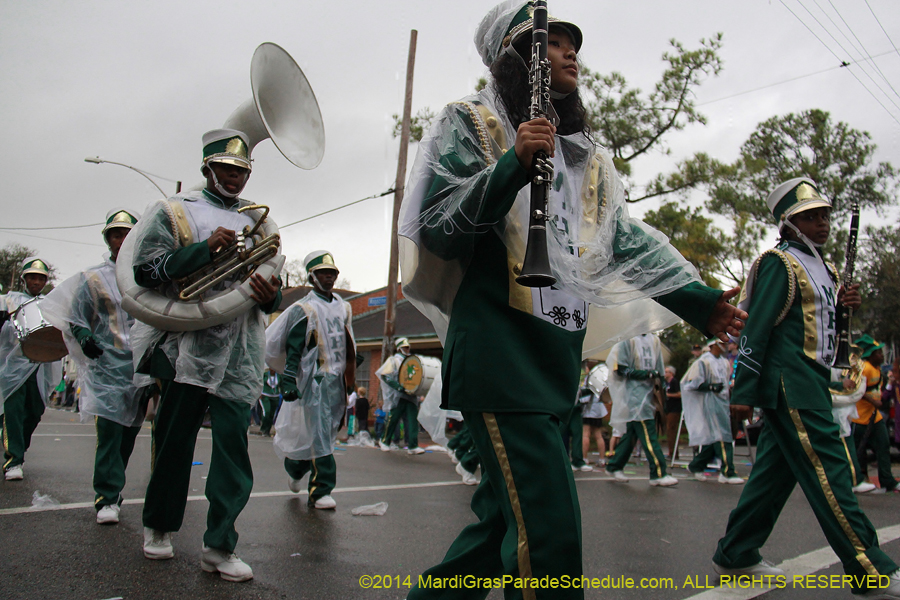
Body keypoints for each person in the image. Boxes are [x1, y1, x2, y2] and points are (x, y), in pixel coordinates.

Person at [396, 2, 747, 595]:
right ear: (515, 58)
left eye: (571, 43)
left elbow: (625, 240)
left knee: (498, 533)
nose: (570, 52)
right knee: (551, 535)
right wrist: (511, 164)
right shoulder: (472, 121)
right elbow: (436, 227)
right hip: (500, 357)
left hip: (555, 360)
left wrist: (700, 301)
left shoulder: (584, 155)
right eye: (550, 43)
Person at [712, 178, 900, 597]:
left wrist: (845, 303)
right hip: (790, 383)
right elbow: (756, 329)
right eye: (810, 217)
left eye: (824, 215)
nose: (822, 223)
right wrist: (743, 391)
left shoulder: (826, 268)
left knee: (774, 477)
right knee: (831, 473)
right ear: (788, 223)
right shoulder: (780, 262)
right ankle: (871, 569)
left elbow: (826, 325)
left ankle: (737, 552)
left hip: (812, 381)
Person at [129, 129, 281, 582]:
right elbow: (145, 270)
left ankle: (219, 545)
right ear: (208, 169)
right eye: (227, 169)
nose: (234, 178)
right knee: (175, 443)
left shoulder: (262, 223)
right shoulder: (175, 212)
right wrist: (202, 249)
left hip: (241, 351)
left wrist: (269, 294)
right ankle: (158, 526)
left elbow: (271, 292)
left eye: (241, 171)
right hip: (187, 348)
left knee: (234, 451)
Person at [42, 208, 152, 523]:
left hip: (140, 366)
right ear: (108, 238)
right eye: (115, 234)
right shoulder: (93, 278)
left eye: (127, 233)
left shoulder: (149, 276)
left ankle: (113, 487)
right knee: (109, 432)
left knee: (129, 432)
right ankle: (106, 497)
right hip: (107, 367)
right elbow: (77, 316)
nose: (121, 239)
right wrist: (84, 336)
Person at [266, 250, 356, 510]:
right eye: (324, 273)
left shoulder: (343, 307)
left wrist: (350, 376)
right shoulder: (303, 308)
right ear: (312, 276)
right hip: (315, 381)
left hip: (337, 381)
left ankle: (295, 468)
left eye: (333, 273)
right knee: (319, 434)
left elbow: (348, 344)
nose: (329, 278)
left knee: (326, 432)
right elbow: (294, 348)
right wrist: (289, 380)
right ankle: (320, 490)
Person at [1, 257, 62, 481]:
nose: (36, 281)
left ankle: (17, 446)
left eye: (40, 278)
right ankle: (13, 460)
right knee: (14, 412)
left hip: (40, 367)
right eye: (32, 277)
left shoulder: (50, 302)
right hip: (13, 367)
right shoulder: (9, 300)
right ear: (24, 279)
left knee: (35, 411)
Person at [606, 333, 678, 486]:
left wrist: (661, 390)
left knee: (631, 433)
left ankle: (614, 466)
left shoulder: (654, 340)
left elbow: (659, 369)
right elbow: (619, 368)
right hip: (635, 396)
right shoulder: (628, 339)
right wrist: (644, 374)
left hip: (649, 395)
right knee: (648, 433)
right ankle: (658, 473)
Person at [680, 339, 743, 484]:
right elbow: (691, 384)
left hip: (723, 401)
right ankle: (727, 472)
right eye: (722, 343)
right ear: (713, 344)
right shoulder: (703, 362)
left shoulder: (724, 362)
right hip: (711, 402)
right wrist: (710, 386)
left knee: (714, 437)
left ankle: (697, 465)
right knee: (723, 435)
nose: (726, 346)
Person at [850, 335, 898, 494]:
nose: (882, 355)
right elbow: (857, 388)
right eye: (878, 353)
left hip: (874, 417)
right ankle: (859, 479)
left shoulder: (877, 369)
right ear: (870, 355)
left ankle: (888, 481)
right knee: (858, 451)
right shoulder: (865, 368)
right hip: (859, 417)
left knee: (883, 446)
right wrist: (873, 401)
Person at [376, 338, 424, 455]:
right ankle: (384, 441)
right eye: (405, 347)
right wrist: (398, 387)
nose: (407, 349)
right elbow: (385, 375)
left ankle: (413, 445)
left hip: (411, 395)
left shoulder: (413, 360)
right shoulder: (393, 361)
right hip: (398, 396)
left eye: (408, 347)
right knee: (393, 419)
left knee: (413, 421)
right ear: (399, 348)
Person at [580, 365, 608, 469]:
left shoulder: (589, 378)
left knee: (585, 434)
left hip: (589, 409)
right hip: (598, 410)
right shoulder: (602, 377)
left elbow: (583, 393)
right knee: (598, 435)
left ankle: (584, 458)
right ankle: (602, 459)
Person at [663, 365, 681, 459]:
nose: (665, 374)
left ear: (671, 373)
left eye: (667, 372)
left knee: (671, 429)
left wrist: (668, 395)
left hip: (674, 409)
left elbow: (679, 394)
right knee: (668, 430)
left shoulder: (674, 382)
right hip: (668, 408)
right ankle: (671, 451)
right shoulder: (666, 383)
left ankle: (673, 452)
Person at [259, 368, 282, 437]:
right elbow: (260, 383)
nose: (273, 370)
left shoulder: (279, 376)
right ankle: (263, 428)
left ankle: (267, 430)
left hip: (275, 396)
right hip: (265, 396)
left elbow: (282, 385)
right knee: (267, 412)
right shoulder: (265, 375)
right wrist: (259, 393)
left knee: (272, 414)